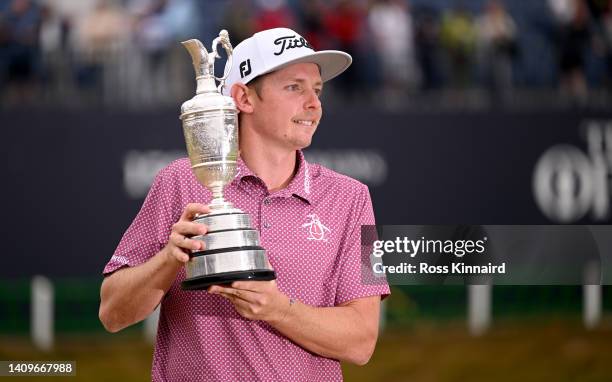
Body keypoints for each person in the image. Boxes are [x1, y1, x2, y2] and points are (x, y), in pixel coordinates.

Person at [99, 27, 390, 381]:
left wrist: (278, 309)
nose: (314, 104)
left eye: (317, 90)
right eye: (294, 87)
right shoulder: (178, 181)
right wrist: (168, 259)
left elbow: (362, 342)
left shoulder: (352, 197)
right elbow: (112, 313)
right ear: (244, 98)